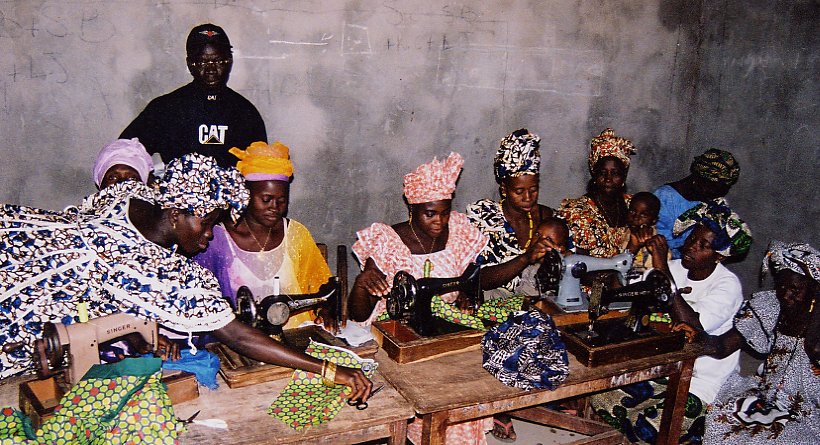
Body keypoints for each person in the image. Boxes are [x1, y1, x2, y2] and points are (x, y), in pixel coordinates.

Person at [0, 153, 371, 401]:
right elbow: (238, 335)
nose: (210, 236)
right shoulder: (164, 275)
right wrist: (330, 369)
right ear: (176, 212)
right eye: (207, 224)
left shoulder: (130, 196)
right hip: (17, 315)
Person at [348, 152, 491, 445]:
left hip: (441, 330)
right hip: (393, 337)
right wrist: (363, 283)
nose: (439, 221)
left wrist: (464, 293)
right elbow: (359, 314)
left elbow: (471, 277)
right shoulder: (387, 240)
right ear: (412, 209)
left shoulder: (459, 232)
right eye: (430, 213)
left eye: (445, 212)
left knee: (467, 383)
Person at [590, 200, 752, 444]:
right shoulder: (674, 267)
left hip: (700, 382)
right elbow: (628, 292)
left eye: (703, 245)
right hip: (662, 368)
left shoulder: (727, 285)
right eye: (691, 239)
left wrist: (662, 269)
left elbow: (692, 327)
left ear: (719, 256)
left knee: (652, 428)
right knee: (601, 397)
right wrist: (630, 255)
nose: (690, 247)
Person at [673, 241, 820, 444]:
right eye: (781, 286)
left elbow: (815, 348)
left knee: (779, 437)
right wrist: (698, 337)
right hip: (767, 394)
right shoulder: (770, 307)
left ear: (814, 290)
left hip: (809, 408)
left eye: (796, 289)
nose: (786, 295)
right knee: (721, 422)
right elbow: (722, 347)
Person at [194, 141, 331, 328]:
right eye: (266, 200)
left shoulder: (296, 234)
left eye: (282, 200)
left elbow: (321, 287)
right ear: (245, 195)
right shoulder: (215, 239)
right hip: (241, 341)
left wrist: (325, 311)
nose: (275, 207)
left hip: (297, 334)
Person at [120, 24, 267, 168]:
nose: (211, 69)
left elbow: (262, 171)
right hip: (177, 191)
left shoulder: (246, 112)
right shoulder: (165, 108)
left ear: (229, 62)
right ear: (190, 64)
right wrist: (150, 180)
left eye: (218, 61)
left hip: (233, 191)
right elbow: (121, 153)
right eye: (202, 61)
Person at [466, 128, 557, 302]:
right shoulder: (485, 218)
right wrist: (526, 258)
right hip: (496, 310)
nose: (528, 198)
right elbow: (480, 279)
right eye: (519, 191)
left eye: (533, 190)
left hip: (542, 306)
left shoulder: (548, 218)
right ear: (504, 188)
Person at [559, 128, 636, 259]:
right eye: (602, 172)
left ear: (623, 178)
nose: (608, 178)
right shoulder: (577, 212)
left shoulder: (634, 206)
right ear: (594, 175)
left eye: (615, 173)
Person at [653, 148, 740, 259]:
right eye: (714, 188)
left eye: (724, 189)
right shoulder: (664, 197)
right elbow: (658, 241)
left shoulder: (712, 202)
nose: (718, 194)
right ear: (698, 179)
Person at [620, 191, 667, 275]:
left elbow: (655, 272)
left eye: (643, 215)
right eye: (632, 212)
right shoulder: (623, 231)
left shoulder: (655, 243)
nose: (636, 218)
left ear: (654, 220)